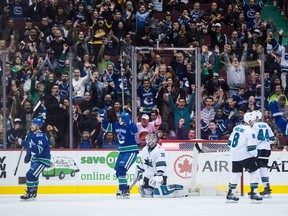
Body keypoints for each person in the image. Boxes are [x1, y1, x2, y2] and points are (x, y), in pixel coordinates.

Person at [226, 112, 262, 202]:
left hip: (234, 155)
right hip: (245, 156)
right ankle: (254, 193)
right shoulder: (251, 131)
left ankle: (230, 193)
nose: (254, 122)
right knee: (255, 172)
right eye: (253, 121)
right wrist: (256, 155)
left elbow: (229, 143)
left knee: (236, 173)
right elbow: (251, 148)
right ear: (249, 121)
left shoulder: (236, 128)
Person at [137, 133, 184, 198]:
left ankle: (175, 190)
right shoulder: (144, 149)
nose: (151, 141)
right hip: (148, 175)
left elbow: (161, 162)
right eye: (149, 139)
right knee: (146, 194)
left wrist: (159, 174)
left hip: (159, 175)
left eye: (152, 139)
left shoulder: (159, 149)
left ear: (156, 140)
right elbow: (143, 161)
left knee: (159, 195)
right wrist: (140, 170)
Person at [18, 118, 50, 200]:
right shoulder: (33, 135)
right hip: (35, 159)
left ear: (39, 126)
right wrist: (28, 154)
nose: (32, 125)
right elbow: (31, 147)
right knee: (34, 177)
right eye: (32, 124)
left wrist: (24, 143)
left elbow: (39, 149)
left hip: (42, 160)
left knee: (29, 175)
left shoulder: (41, 136)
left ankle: (30, 193)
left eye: (34, 124)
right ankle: (33, 193)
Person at [112, 112, 139, 199]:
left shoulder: (130, 125)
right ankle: (124, 188)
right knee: (118, 171)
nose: (119, 120)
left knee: (121, 169)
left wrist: (129, 122)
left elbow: (135, 131)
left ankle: (123, 189)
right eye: (119, 118)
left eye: (121, 118)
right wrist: (102, 119)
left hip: (131, 151)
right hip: (122, 152)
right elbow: (107, 127)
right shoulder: (116, 125)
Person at [251, 110, 275, 197]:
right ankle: (266, 188)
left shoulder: (254, 126)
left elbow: (252, 139)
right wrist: (266, 142)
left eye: (252, 117)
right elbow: (272, 139)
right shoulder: (266, 124)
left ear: (256, 117)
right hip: (267, 149)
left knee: (256, 169)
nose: (251, 119)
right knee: (263, 168)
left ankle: (255, 189)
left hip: (259, 150)